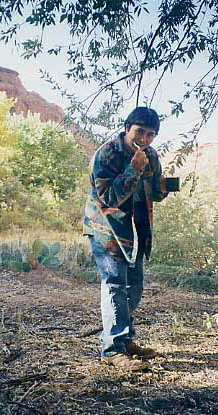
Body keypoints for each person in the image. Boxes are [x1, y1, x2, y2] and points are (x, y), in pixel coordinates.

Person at [83, 106, 169, 371]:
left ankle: (126, 339)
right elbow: (108, 199)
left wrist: (164, 188)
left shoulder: (151, 156)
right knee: (115, 285)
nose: (144, 139)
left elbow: (154, 193)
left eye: (150, 134)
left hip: (136, 231)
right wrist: (133, 170)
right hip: (107, 229)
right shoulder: (106, 153)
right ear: (127, 128)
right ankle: (112, 349)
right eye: (139, 132)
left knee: (135, 286)